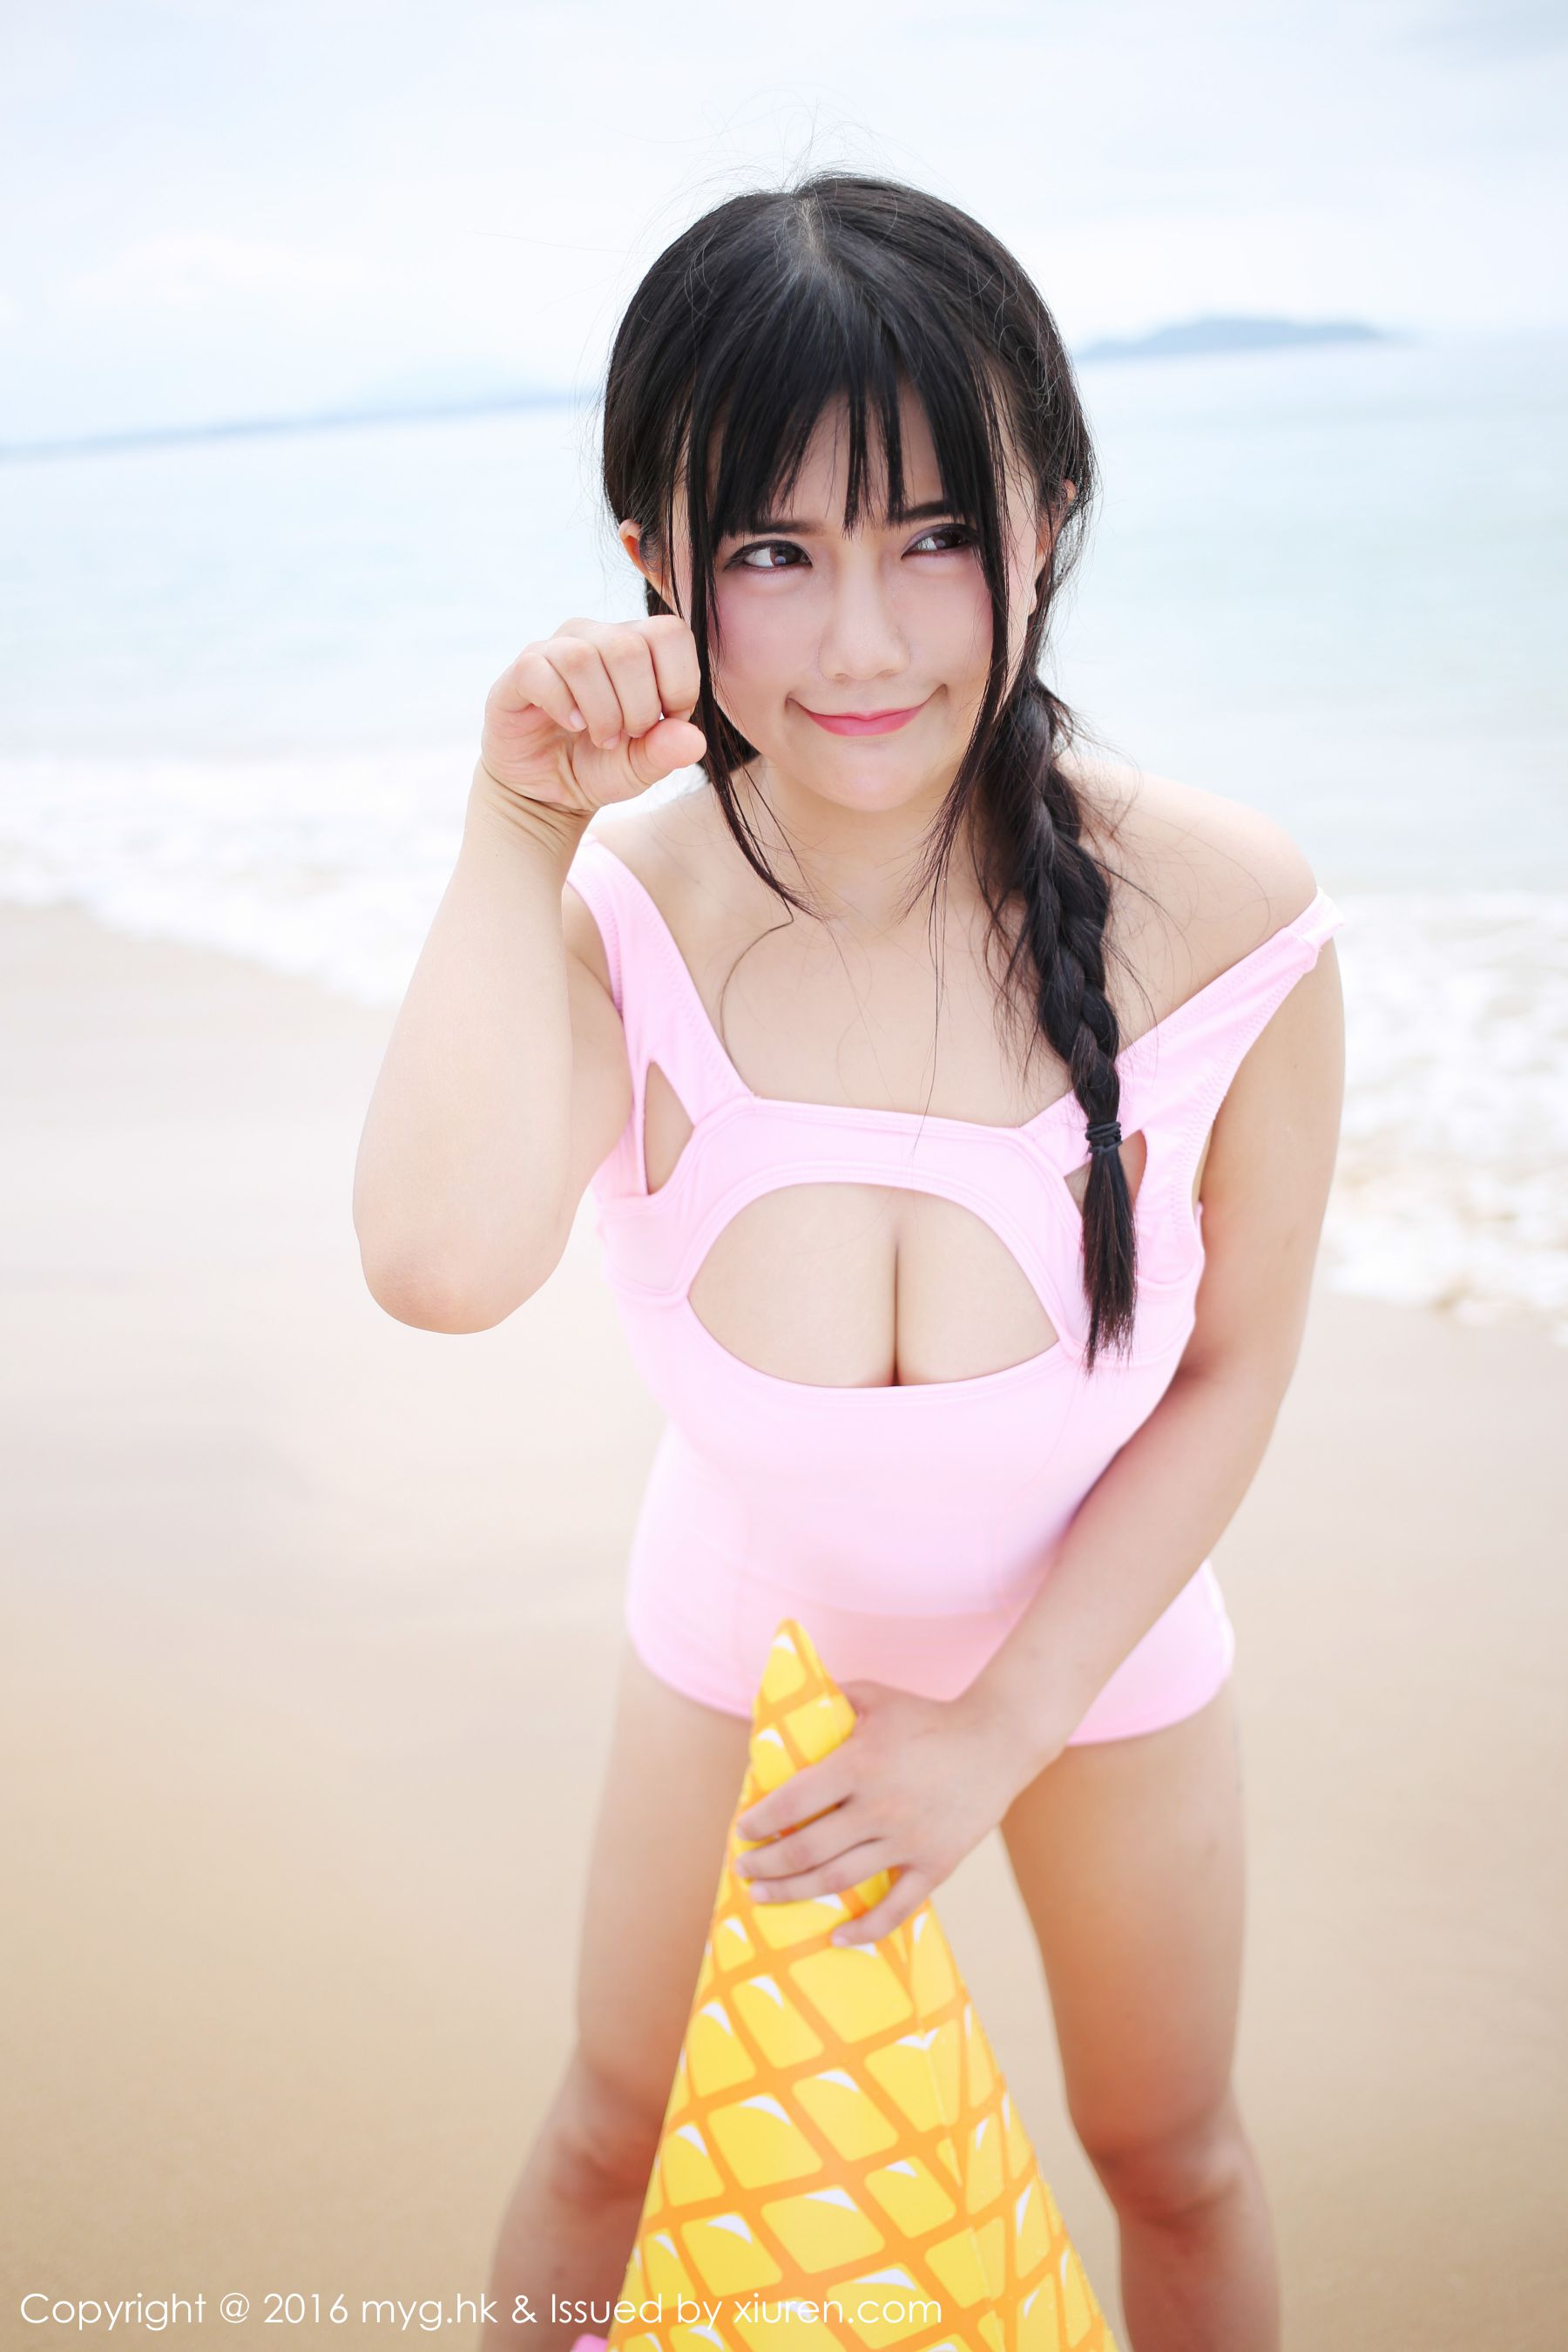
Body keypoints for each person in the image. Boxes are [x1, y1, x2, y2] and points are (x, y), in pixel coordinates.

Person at [352, 172, 1345, 2352]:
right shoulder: (626, 909)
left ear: (1050, 518)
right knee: (613, 2140)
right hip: (741, 1631)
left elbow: (1234, 1370)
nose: (867, 641)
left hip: (1099, 1646)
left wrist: (1004, 1723)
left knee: (1172, 2157)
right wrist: (516, 825)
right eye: (775, 555)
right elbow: (433, 1259)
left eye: (936, 536)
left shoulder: (1226, 913)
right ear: (655, 562)